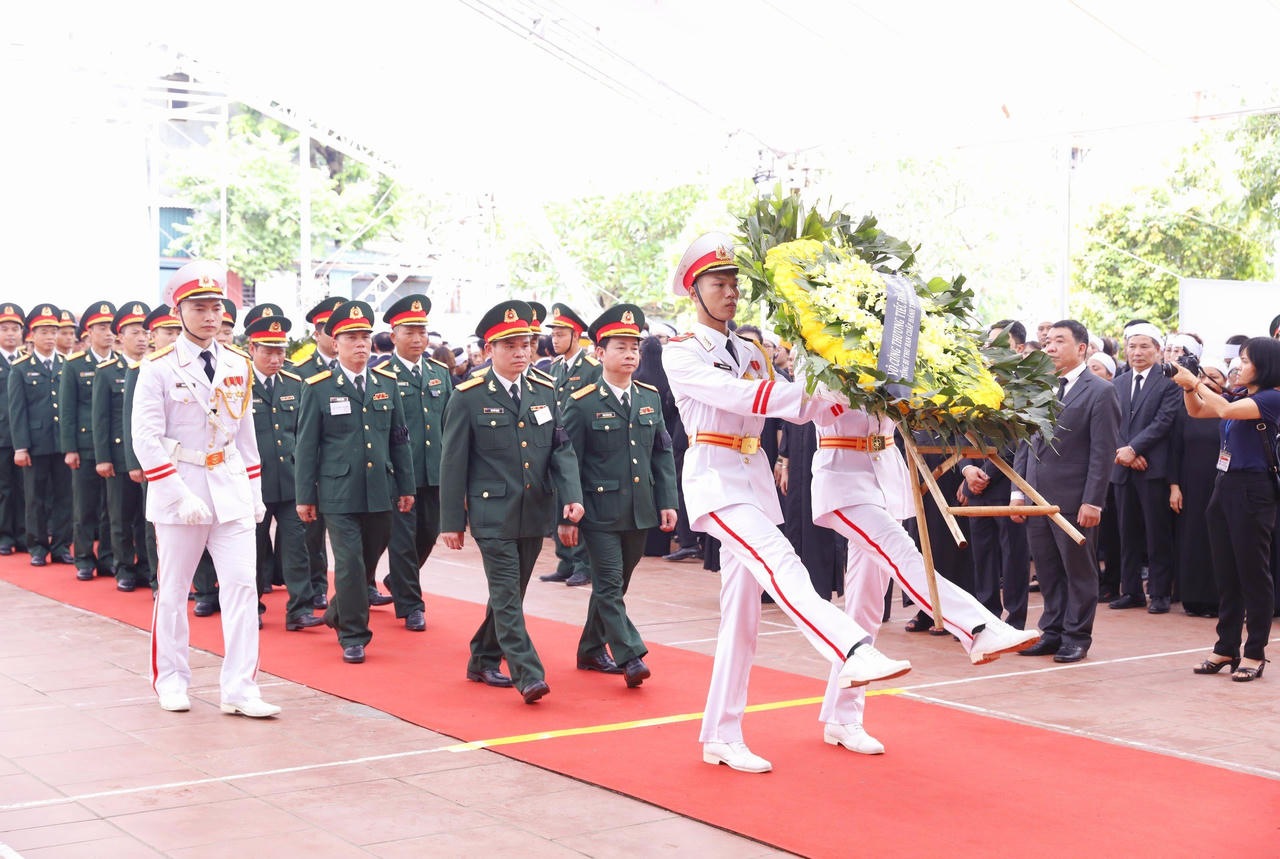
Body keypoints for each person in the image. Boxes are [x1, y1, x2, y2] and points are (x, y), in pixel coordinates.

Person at [664, 232, 913, 774]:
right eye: (717, 284)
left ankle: (723, 733)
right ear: (694, 291)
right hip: (715, 481)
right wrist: (817, 395)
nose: (730, 293)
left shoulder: (751, 350)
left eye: (734, 284)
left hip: (751, 481)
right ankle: (851, 648)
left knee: (743, 617)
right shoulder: (681, 352)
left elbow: (798, 408)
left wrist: (850, 385)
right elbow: (744, 398)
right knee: (785, 565)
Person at [811, 400, 1040, 753]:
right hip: (844, 476)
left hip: (884, 478)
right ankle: (977, 628)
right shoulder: (821, 349)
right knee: (905, 557)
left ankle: (842, 716)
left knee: (865, 605)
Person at [131, 260, 279, 717]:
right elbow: (146, 438)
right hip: (182, 488)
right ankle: (172, 681)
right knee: (174, 591)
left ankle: (239, 689)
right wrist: (177, 491)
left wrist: (255, 493)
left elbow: (247, 437)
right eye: (200, 307)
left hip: (230, 487)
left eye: (216, 307)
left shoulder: (237, 363)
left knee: (242, 587)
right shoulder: (157, 367)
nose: (210, 316)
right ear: (179, 311)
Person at [440, 300, 584, 704]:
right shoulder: (467, 396)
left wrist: (571, 497)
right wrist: (451, 521)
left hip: (534, 510)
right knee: (506, 594)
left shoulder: (544, 390)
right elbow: (452, 462)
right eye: (511, 346)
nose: (522, 353)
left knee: (511, 595)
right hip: (491, 514)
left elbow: (561, 449)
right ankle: (528, 673)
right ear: (489, 351)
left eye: (526, 345)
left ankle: (482, 657)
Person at [294, 300, 416, 664]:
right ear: (336, 343)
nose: (361, 345)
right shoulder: (317, 387)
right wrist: (305, 496)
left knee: (365, 564)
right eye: (351, 338)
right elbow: (306, 446)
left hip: (381, 490)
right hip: (338, 492)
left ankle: (336, 613)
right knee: (348, 564)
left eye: (365, 337)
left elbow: (399, 439)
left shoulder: (386, 384)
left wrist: (406, 486)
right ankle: (354, 635)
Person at [562, 304, 678, 687]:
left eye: (635, 347)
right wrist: (567, 513)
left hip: (640, 509)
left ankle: (589, 649)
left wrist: (667, 501)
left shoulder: (648, 396)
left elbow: (661, 452)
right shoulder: (582, 402)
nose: (630, 354)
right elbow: (568, 461)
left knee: (617, 586)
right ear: (599, 353)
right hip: (598, 512)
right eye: (621, 347)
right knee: (609, 585)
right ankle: (630, 655)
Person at [1013, 320, 1120, 663]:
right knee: (1047, 570)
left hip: (1075, 500)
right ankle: (1052, 631)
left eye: (1060, 341)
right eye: (1047, 342)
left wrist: (1094, 500)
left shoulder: (1100, 391)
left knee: (1078, 570)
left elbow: (1103, 452)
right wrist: (1019, 493)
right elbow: (1024, 444)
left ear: (1082, 348)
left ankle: (1077, 636)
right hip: (1036, 499)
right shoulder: (1038, 388)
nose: (1051, 348)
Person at [1173, 338, 1280, 681]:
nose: (1238, 367)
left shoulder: (1272, 398)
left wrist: (1196, 382)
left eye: (1246, 361)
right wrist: (1191, 388)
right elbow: (1199, 411)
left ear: (1264, 366)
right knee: (1226, 571)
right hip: (1225, 484)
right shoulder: (1241, 395)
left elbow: (1225, 411)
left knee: (1253, 573)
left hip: (1254, 488)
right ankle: (1225, 647)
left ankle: (1255, 652)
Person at [379, 294, 453, 632]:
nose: (418, 339)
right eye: (410, 332)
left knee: (429, 533)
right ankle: (411, 605)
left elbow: (449, 423)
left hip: (434, 470)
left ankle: (398, 579)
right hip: (399, 474)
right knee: (403, 538)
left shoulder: (439, 373)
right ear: (394, 336)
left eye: (422, 332)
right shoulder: (382, 375)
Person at [245, 313, 322, 632]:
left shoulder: (295, 384)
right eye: (268, 351)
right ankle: (252, 608)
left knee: (298, 547)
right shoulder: (239, 385)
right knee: (252, 551)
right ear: (252, 348)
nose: (276, 358)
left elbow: (306, 436)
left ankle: (300, 609)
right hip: (253, 485)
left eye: (280, 351)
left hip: (291, 483)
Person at [1108, 323, 1182, 614]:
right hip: (1123, 468)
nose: (1137, 352)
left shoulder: (1169, 382)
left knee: (1157, 532)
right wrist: (1124, 451)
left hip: (1153, 467)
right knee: (1127, 533)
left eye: (1144, 347)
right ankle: (1131, 591)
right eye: (1132, 347)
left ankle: (1161, 592)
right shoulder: (1117, 383)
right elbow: (1111, 422)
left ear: (1158, 350)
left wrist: (1134, 449)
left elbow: (1164, 422)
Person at [123, 304, 184, 592]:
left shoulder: (190, 366)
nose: (173, 337)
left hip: (188, 458)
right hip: (156, 457)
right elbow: (130, 420)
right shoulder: (143, 369)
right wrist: (136, 462)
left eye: (177, 331)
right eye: (166, 332)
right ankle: (157, 578)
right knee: (157, 521)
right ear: (153, 336)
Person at [291, 296, 347, 611]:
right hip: (316, 467)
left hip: (348, 469)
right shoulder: (300, 372)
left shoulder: (363, 369)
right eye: (330, 330)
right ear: (317, 333)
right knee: (312, 535)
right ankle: (316, 587)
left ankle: (361, 587)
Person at [91, 303, 150, 592]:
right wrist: (102, 457)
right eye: (135, 333)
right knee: (120, 516)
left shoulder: (154, 368)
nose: (142, 338)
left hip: (148, 455)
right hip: (117, 455)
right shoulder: (106, 372)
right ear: (120, 337)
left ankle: (146, 567)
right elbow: (100, 419)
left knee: (146, 517)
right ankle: (124, 567)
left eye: (145, 332)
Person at [9, 304, 74, 567]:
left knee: (64, 497)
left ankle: (61, 546)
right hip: (35, 444)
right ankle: (37, 546)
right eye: (44, 332)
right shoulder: (21, 368)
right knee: (34, 497)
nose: (50, 337)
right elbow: (17, 411)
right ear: (32, 335)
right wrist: (20, 446)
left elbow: (69, 408)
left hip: (63, 443)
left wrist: (73, 444)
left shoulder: (67, 365)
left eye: (53, 332)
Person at [540, 302, 600, 587]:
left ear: (576, 335)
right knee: (558, 504)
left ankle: (583, 563)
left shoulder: (591, 368)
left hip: (580, 447)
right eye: (553, 334)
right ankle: (565, 560)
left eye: (561, 334)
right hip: (557, 445)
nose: (555, 339)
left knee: (577, 504)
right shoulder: (554, 367)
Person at [60, 301, 117, 582]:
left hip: (113, 447)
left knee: (111, 507)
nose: (108, 333)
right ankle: (83, 558)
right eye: (102, 328)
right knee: (85, 506)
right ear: (89, 333)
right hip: (85, 446)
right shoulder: (75, 365)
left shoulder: (119, 363)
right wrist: (69, 448)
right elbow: (67, 409)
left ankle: (108, 557)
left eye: (110, 328)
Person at [1169, 366, 1226, 617]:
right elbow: (1174, 450)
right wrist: (1174, 486)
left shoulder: (1231, 410)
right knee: (1191, 539)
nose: (1209, 382)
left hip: (1221, 485)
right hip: (1190, 486)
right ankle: (1191, 598)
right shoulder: (1187, 409)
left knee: (1218, 542)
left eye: (1216, 377)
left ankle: (1216, 600)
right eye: (1204, 377)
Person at [0, 303, 27, 556]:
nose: (10, 334)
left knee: (23, 488)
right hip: (1, 437)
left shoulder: (25, 361)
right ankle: (5, 535)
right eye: (4, 329)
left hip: (24, 436)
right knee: (4, 488)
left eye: (14, 329)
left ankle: (22, 533)